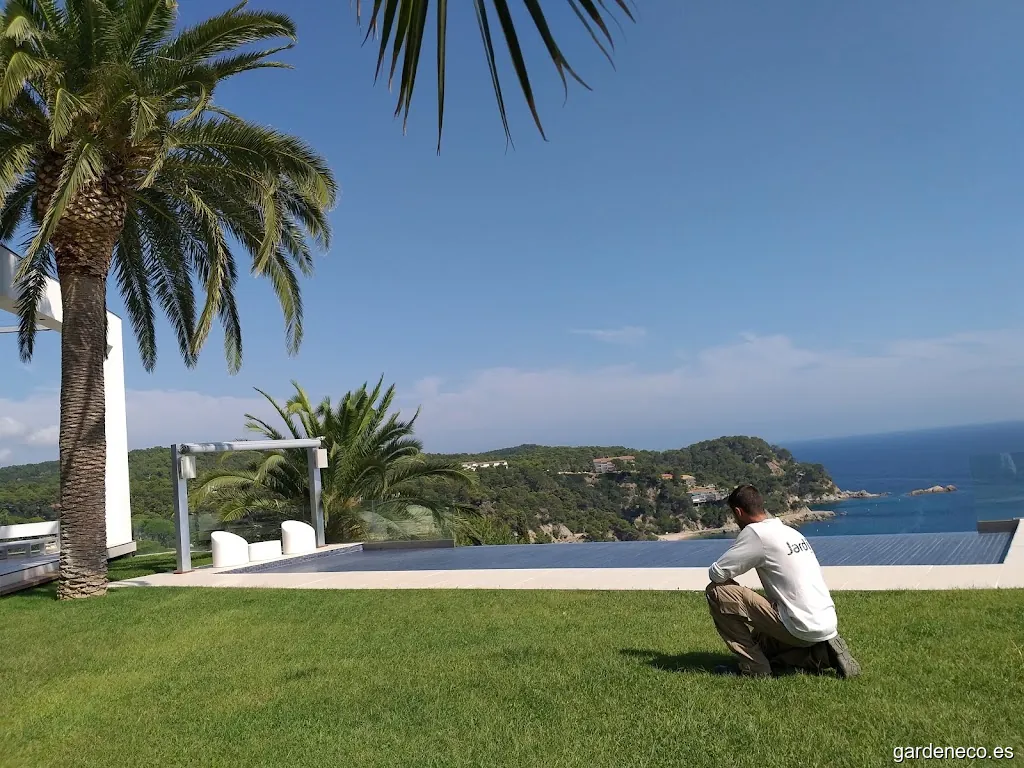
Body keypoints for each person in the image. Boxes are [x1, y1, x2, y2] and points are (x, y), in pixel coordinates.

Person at [705, 484, 861, 678]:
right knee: (762, 645)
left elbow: (718, 574)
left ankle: (755, 668)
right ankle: (821, 654)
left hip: (798, 625)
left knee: (717, 591)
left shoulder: (755, 533)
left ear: (738, 512)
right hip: (825, 623)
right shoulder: (791, 532)